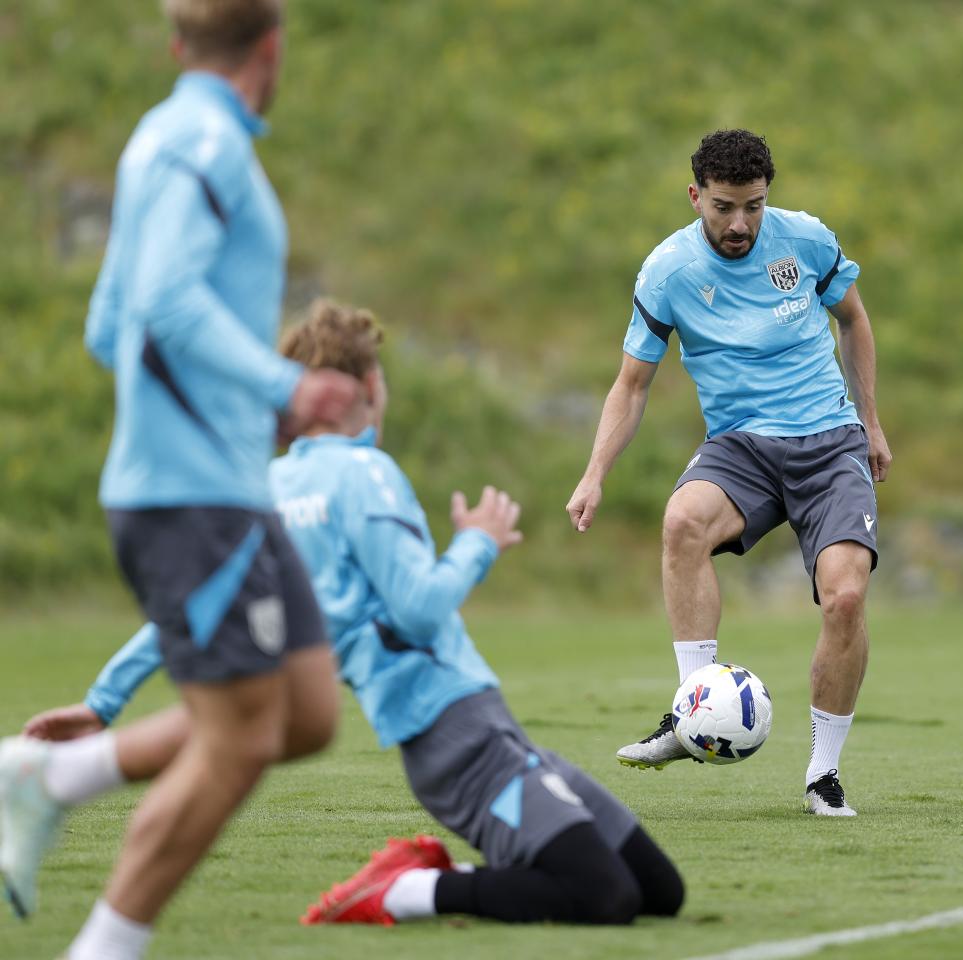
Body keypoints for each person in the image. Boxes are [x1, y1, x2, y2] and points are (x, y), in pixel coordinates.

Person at [21, 299, 684, 927]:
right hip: (460, 742)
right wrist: (477, 545)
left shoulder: (263, 493)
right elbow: (420, 612)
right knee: (607, 895)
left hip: (478, 736)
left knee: (659, 890)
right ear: (367, 385)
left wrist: (102, 703)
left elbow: (188, 613)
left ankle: (452, 870)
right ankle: (401, 889)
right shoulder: (365, 473)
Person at [0, 3, 361, 956]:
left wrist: (248, 410)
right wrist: (284, 385)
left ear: (177, 46)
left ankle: (50, 779)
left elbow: (107, 320)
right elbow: (160, 303)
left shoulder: (161, 136)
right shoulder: (207, 144)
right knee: (241, 739)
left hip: (225, 485)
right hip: (190, 494)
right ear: (271, 49)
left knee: (306, 712)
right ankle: (103, 945)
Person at [566, 129, 892, 818]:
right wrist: (594, 473)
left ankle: (822, 775)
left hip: (829, 442)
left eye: (754, 206)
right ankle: (691, 714)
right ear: (695, 198)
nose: (740, 223)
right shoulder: (668, 271)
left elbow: (854, 322)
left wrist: (872, 422)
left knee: (845, 600)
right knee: (683, 520)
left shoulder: (804, 241)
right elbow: (631, 386)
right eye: (723, 207)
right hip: (741, 447)